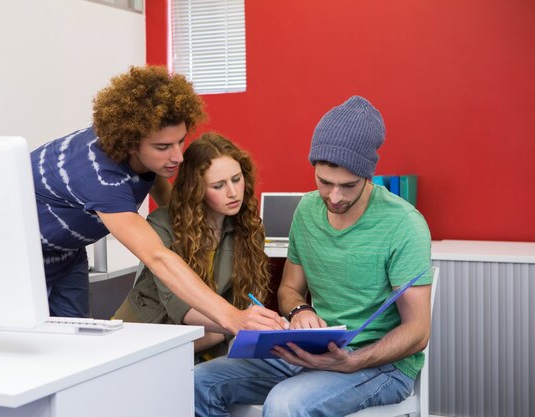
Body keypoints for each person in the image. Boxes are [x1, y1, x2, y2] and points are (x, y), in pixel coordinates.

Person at [194, 96, 433, 417]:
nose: (334, 197)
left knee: (285, 402)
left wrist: (353, 361)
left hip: (379, 364)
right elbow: (289, 289)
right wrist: (300, 310)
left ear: (368, 176)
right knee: (199, 381)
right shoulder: (307, 209)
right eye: (324, 182)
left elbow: (417, 331)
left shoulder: (404, 223)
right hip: (309, 352)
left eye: (348, 186)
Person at [31, 65, 286, 335]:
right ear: (130, 143)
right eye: (163, 147)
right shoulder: (101, 177)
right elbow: (157, 257)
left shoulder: (145, 153)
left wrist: (196, 219)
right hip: (23, 257)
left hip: (68, 253)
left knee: (75, 344)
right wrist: (232, 317)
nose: (177, 156)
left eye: (180, 141)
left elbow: (167, 198)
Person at [113, 132, 271, 359]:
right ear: (196, 190)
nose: (233, 192)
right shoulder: (162, 224)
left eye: (236, 179)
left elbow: (247, 302)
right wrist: (237, 322)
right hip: (138, 340)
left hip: (202, 343)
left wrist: (245, 321)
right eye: (218, 185)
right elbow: (182, 308)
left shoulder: (249, 228)